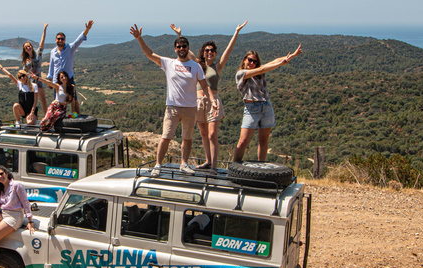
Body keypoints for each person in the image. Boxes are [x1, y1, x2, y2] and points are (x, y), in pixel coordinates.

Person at [129, 24, 211, 176]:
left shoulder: (196, 66)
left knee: (187, 138)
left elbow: (204, 86)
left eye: (184, 46)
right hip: (172, 107)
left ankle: (184, 164)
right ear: (175, 49)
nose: (182, 48)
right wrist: (139, 39)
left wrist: (209, 101)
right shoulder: (169, 63)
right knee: (166, 137)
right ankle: (158, 165)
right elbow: (150, 54)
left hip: (190, 108)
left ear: (188, 47)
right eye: (179, 46)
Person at [170, 22, 247, 172]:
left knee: (212, 134)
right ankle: (208, 161)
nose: (209, 52)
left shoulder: (218, 66)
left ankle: (215, 166)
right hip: (198, 102)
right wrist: (179, 34)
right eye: (207, 50)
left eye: (212, 50)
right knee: (204, 134)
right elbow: (186, 51)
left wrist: (236, 32)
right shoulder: (198, 65)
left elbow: (229, 51)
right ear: (203, 52)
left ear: (215, 53)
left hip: (213, 102)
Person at [232, 44, 303, 163]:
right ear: (244, 60)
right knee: (243, 141)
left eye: (254, 61)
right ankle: (234, 167)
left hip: (266, 106)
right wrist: (281, 64)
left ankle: (261, 168)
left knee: (264, 141)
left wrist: (293, 55)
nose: (251, 63)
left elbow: (273, 61)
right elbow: (262, 69)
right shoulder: (241, 73)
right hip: (252, 108)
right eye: (249, 60)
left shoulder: (258, 71)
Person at [47, 20, 93, 115]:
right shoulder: (53, 52)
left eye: (62, 39)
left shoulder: (70, 48)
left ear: (65, 40)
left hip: (69, 79)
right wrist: (50, 79)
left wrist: (87, 29)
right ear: (55, 40)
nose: (60, 40)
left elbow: (79, 39)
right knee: (58, 101)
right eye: (58, 39)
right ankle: (58, 120)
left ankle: (77, 117)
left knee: (74, 100)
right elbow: (51, 66)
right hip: (57, 80)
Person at [21, 23, 49, 112]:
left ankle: (46, 118)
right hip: (30, 82)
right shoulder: (26, 61)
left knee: (43, 100)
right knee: (32, 102)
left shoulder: (38, 54)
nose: (28, 48)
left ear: (32, 46)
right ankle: (32, 117)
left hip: (39, 80)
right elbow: (23, 72)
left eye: (29, 46)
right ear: (25, 50)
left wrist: (44, 29)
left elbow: (42, 42)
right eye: (26, 47)